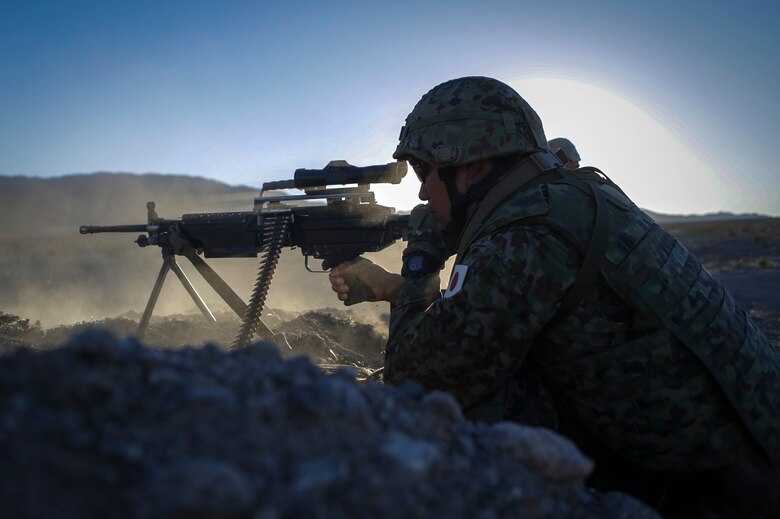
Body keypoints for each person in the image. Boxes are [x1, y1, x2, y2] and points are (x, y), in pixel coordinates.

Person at [329, 76, 780, 518]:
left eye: (425, 171)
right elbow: (488, 312)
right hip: (743, 446)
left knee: (462, 408)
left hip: (723, 495)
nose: (423, 191)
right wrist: (396, 287)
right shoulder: (573, 196)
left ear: (474, 167)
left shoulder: (526, 238)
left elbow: (416, 378)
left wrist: (421, 258)